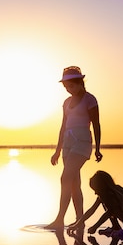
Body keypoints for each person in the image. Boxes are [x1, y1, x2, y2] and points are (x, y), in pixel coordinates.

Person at [45, 66, 102, 231]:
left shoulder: (90, 100)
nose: (68, 90)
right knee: (74, 184)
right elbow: (63, 127)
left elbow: (96, 125)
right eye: (66, 87)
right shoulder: (66, 102)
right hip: (68, 143)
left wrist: (97, 148)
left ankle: (59, 220)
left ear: (79, 82)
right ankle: (80, 221)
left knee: (65, 178)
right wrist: (57, 150)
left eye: (71, 86)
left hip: (82, 142)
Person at [68, 170, 123, 236]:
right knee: (108, 205)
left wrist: (95, 227)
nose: (95, 193)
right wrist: (77, 225)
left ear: (102, 187)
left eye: (96, 190)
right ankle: (116, 227)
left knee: (115, 209)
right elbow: (92, 210)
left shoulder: (114, 194)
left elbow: (109, 213)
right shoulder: (104, 195)